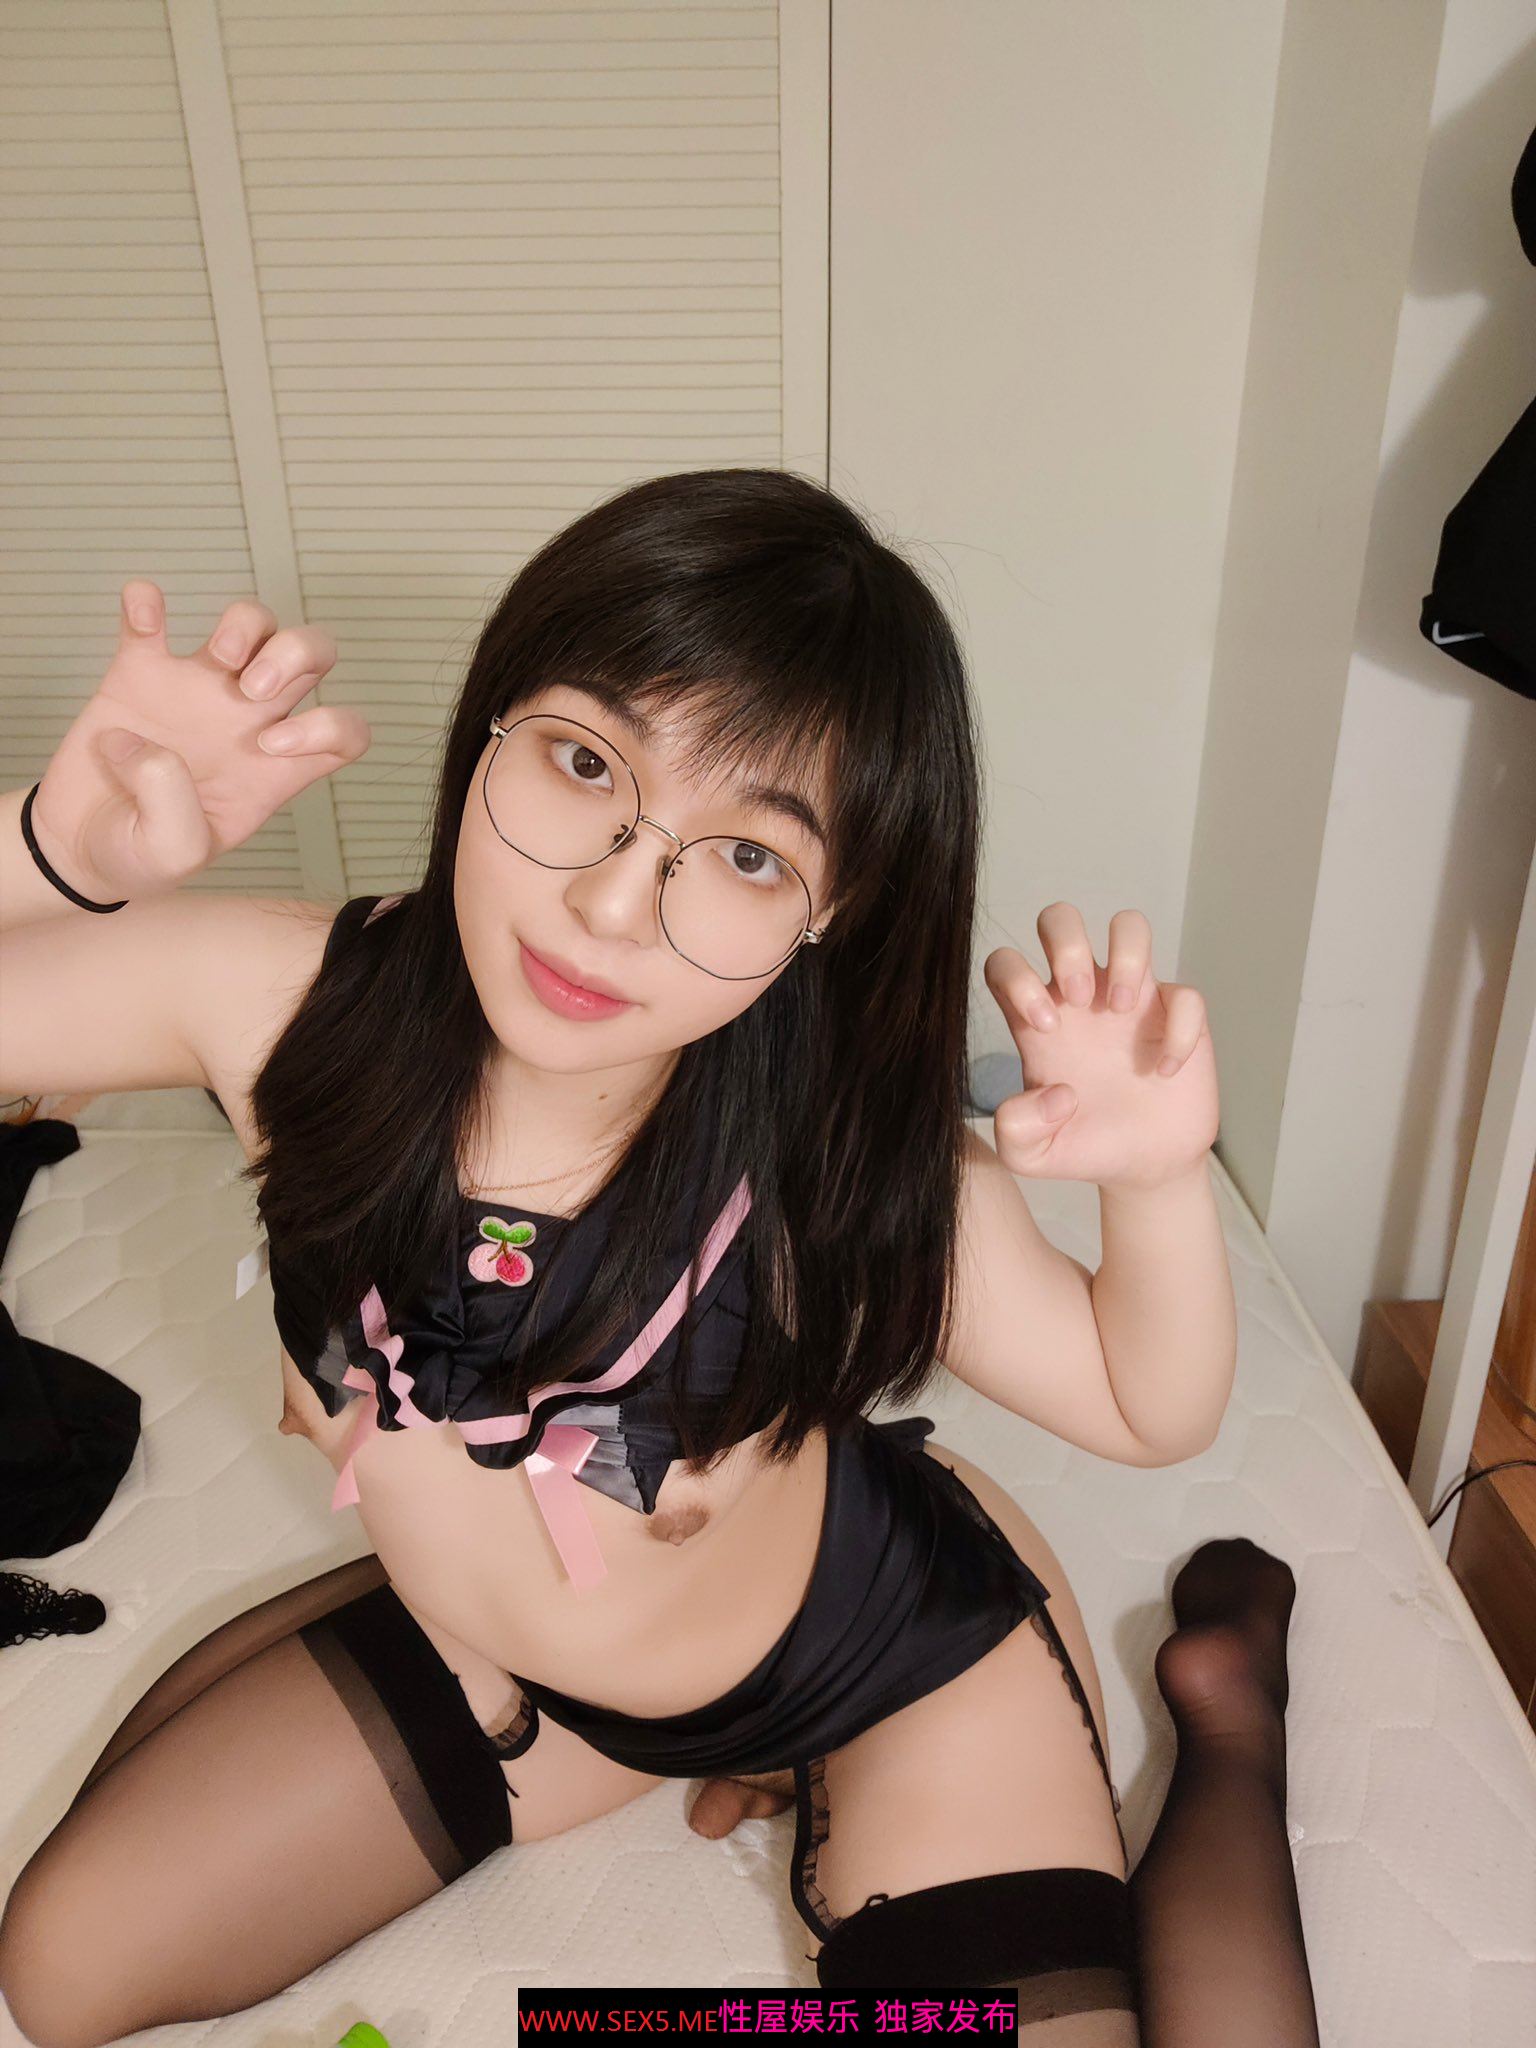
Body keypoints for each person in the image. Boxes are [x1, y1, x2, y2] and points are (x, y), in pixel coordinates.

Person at [0, 470, 1321, 2048]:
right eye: (583, 763)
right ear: (489, 724)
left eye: (749, 856)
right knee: (61, 1976)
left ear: (832, 909)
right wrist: (56, 852)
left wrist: (1160, 1183)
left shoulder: (836, 1148)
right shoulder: (278, 1003)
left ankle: (1231, 1717)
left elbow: (1145, 1403)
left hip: (879, 1654)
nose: (613, 904)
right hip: (527, 1681)